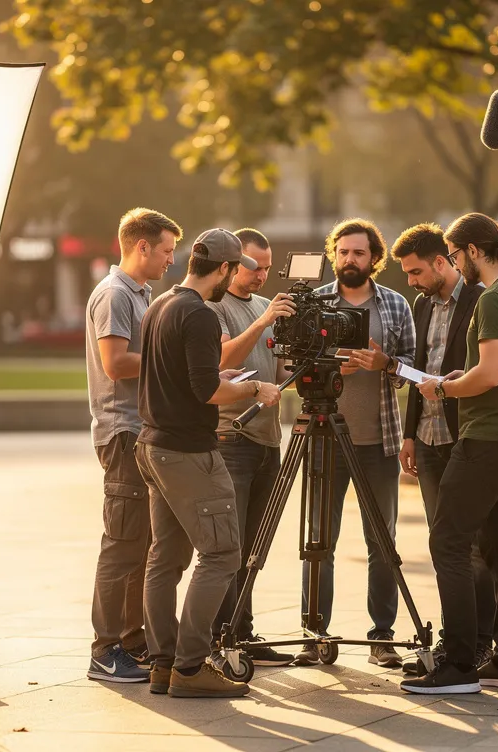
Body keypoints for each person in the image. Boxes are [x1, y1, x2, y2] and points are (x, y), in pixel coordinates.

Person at [402, 213, 498, 695]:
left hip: (488, 438)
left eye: (455, 254)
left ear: (473, 251)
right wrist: (462, 380)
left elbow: (491, 373)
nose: (455, 262)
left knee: (448, 540)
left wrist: (443, 387)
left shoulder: (495, 297)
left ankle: (459, 665)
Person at [137, 228, 282, 698]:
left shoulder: (161, 304)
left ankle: (162, 664)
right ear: (223, 269)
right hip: (188, 452)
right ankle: (190, 666)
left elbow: (185, 376)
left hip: (152, 444)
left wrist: (226, 377)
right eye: (234, 269)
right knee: (222, 555)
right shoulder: (198, 313)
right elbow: (207, 390)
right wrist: (253, 388)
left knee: (165, 558)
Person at [294, 218, 415, 668]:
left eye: (359, 252)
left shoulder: (396, 305)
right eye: (343, 252)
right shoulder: (315, 303)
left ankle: (382, 636)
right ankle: (314, 634)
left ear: (374, 259)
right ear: (334, 255)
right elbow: (292, 365)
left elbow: (412, 367)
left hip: (378, 442)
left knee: (382, 541)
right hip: (323, 438)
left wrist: (384, 362)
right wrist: (327, 365)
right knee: (318, 540)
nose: (349, 259)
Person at [390, 223, 491, 676]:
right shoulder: (422, 304)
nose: (411, 281)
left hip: (463, 437)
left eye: (415, 272)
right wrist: (410, 433)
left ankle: (479, 643)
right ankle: (455, 640)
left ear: (440, 261)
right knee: (443, 544)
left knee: (472, 547)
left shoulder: (480, 299)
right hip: (428, 440)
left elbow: (480, 370)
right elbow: (420, 369)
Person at [85, 207, 181, 684]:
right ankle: (104, 651)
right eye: (166, 251)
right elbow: (117, 363)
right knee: (122, 545)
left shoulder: (142, 294)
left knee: (143, 546)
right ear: (142, 246)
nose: (171, 260)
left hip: (142, 430)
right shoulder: (114, 294)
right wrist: (173, 359)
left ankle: (132, 640)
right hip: (122, 433)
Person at [207, 228, 296, 667]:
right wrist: (263, 323)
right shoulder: (215, 305)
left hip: (267, 439)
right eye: (254, 267)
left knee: (254, 547)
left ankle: (242, 631)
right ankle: (218, 638)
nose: (262, 276)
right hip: (231, 438)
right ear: (233, 263)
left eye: (267, 268)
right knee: (229, 547)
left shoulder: (266, 305)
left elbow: (278, 371)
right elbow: (222, 359)